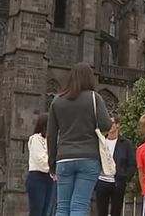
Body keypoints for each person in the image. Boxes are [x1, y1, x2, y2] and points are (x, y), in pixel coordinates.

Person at [47, 62, 112, 216]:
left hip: (63, 159)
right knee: (79, 207)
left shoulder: (57, 100)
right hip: (89, 158)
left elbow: (51, 134)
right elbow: (106, 125)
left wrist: (52, 164)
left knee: (62, 207)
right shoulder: (94, 98)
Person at [95, 114, 136, 216]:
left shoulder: (125, 144)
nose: (108, 125)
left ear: (118, 125)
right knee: (101, 211)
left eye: (111, 123)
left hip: (117, 182)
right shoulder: (100, 142)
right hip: (101, 181)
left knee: (116, 211)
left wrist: (125, 178)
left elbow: (132, 164)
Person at [26, 113, 55, 216]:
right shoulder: (35, 139)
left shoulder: (51, 141)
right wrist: (53, 167)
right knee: (36, 212)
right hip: (37, 177)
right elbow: (41, 160)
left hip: (49, 178)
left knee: (45, 212)